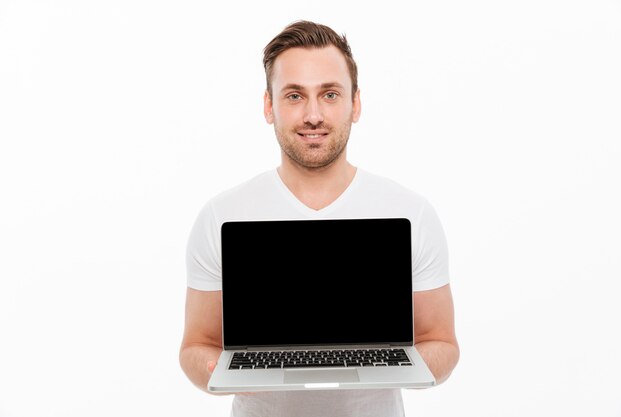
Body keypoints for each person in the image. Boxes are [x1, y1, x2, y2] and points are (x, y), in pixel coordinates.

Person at [180, 20, 459, 417]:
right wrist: (218, 370)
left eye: (330, 94)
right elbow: (196, 345)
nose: (314, 115)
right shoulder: (220, 216)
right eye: (294, 95)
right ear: (268, 105)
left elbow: (442, 341)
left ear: (355, 103)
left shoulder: (411, 212)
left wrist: (402, 363)